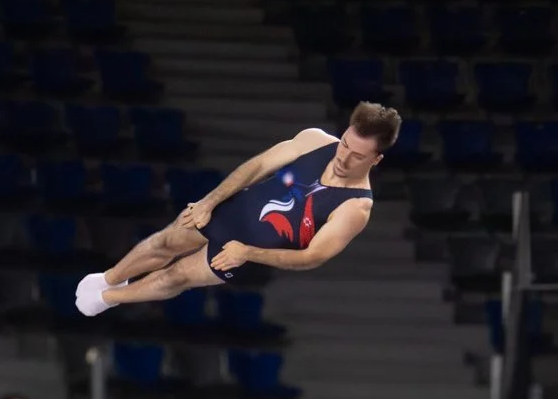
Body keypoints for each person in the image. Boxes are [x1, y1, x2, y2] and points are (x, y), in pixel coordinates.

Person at [75, 105, 395, 314]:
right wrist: (209, 201)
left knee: (177, 275)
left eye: (357, 155)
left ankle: (107, 299)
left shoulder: (356, 207)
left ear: (376, 159)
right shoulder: (314, 141)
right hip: (232, 211)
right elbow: (257, 167)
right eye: (344, 144)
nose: (343, 156)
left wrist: (248, 254)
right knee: (164, 243)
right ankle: (109, 278)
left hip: (249, 250)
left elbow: (312, 257)